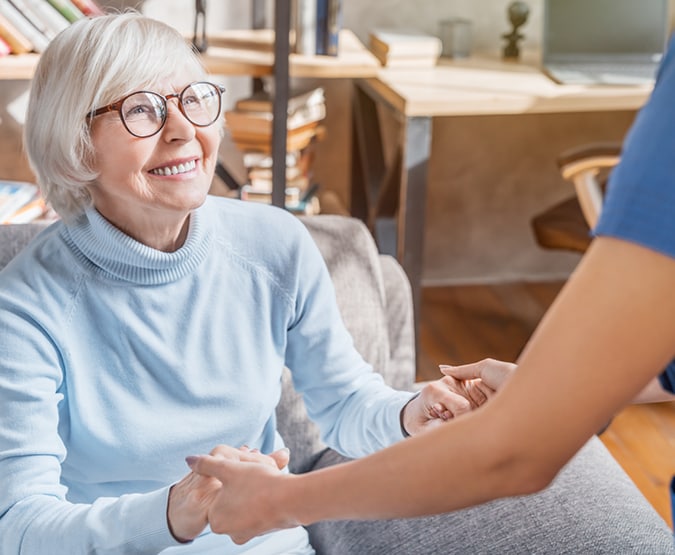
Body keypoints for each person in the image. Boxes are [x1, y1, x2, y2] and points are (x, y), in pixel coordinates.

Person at [0, 12, 508, 555]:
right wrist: (175, 510)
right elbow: (22, 527)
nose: (182, 131)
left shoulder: (274, 245)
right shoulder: (24, 309)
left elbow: (346, 404)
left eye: (192, 99)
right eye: (141, 109)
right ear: (76, 144)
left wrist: (413, 413)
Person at [185, 31, 675, 548]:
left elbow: (513, 453)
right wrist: (541, 388)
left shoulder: (277, 245)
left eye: (196, 100)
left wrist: (281, 501)